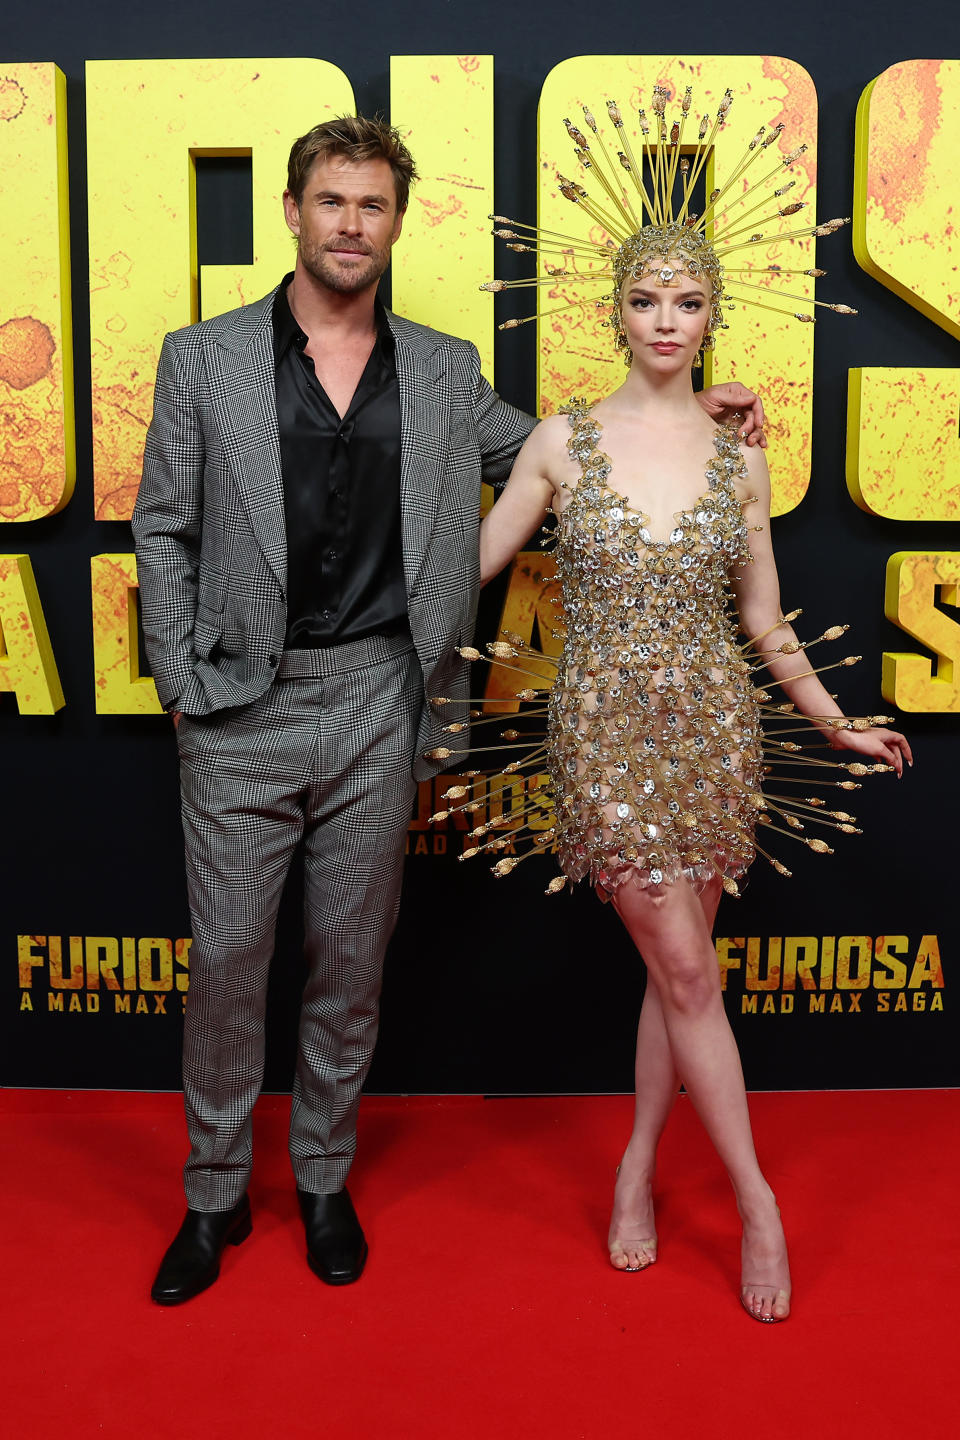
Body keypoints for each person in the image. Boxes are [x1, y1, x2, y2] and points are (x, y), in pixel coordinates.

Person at [133, 112, 766, 1306]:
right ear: (293, 212)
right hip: (236, 708)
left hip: (381, 697)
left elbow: (580, 456)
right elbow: (161, 527)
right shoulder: (201, 358)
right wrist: (181, 679)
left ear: (396, 224)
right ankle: (213, 1195)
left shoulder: (439, 368)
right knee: (225, 960)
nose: (351, 225)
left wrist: (689, 406)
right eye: (332, 202)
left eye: (373, 206)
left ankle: (323, 1179)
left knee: (349, 961)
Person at [469, 91, 912, 1322]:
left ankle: (632, 1175)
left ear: (712, 314)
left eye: (690, 301)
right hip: (604, 735)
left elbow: (765, 620)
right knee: (686, 972)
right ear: (614, 309)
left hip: (719, 733)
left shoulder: (743, 456)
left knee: (684, 975)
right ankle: (757, 1201)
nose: (666, 321)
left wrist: (833, 722)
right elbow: (475, 562)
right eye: (646, 299)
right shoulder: (561, 441)